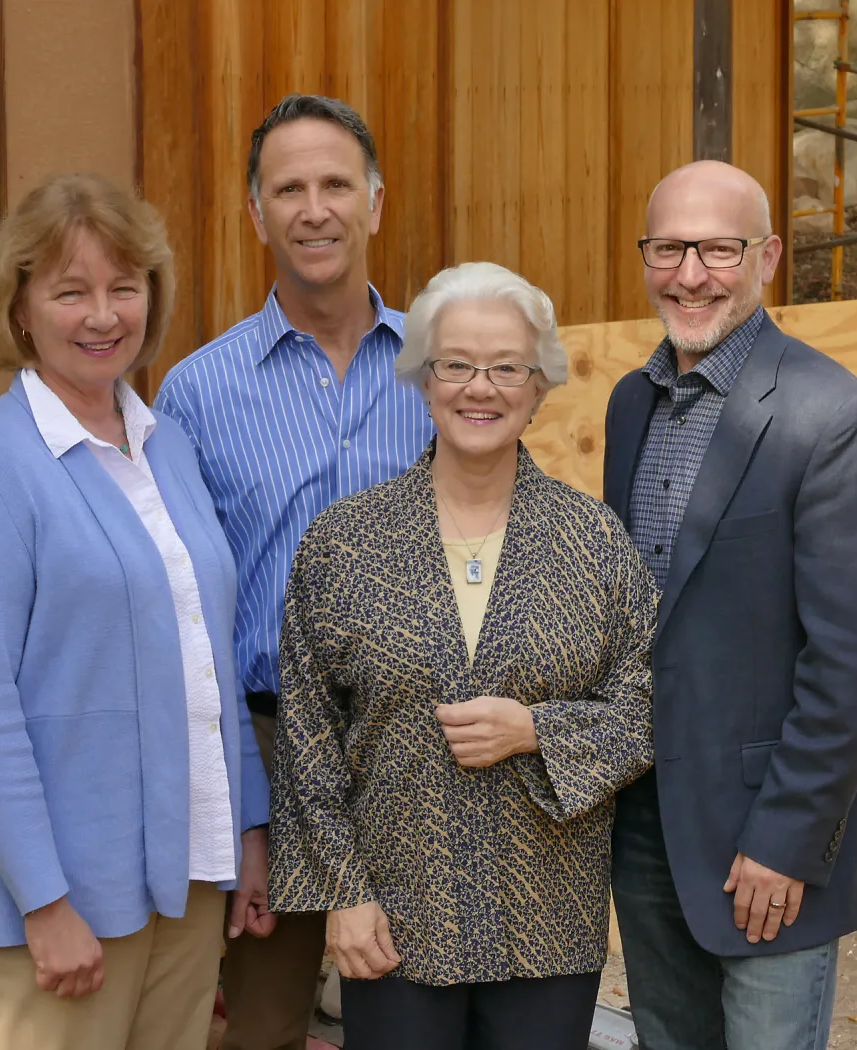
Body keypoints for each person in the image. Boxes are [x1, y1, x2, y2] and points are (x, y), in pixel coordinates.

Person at [0, 172, 271, 1050]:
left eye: (124, 286)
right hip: (65, 904)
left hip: (185, 882)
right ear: (23, 310)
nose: (103, 315)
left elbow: (210, 658)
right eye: (70, 291)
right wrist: (44, 903)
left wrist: (249, 830)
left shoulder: (166, 446)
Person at [268, 261, 657, 1050]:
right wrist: (342, 894)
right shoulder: (345, 544)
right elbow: (308, 740)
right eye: (458, 365)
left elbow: (649, 706)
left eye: (507, 367)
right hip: (395, 924)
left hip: (547, 922)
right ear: (424, 377)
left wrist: (538, 731)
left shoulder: (594, 544)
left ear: (539, 383)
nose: (481, 389)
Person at [603, 159, 857, 1050]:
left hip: (767, 834)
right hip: (650, 822)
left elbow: (853, 659)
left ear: (768, 256)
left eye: (718, 248)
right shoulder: (632, 404)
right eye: (668, 248)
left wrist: (787, 838)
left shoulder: (834, 416)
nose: (690, 273)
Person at [154, 94, 433, 1050]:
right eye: (289, 189)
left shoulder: (443, 372)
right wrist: (234, 805)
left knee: (417, 1010)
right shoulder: (195, 392)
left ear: (376, 202)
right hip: (265, 748)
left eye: (335, 184)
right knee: (263, 1022)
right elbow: (185, 610)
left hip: (415, 740)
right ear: (257, 214)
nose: (315, 209)